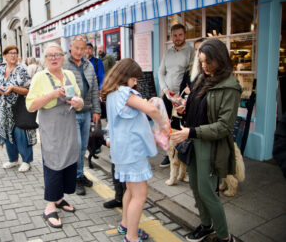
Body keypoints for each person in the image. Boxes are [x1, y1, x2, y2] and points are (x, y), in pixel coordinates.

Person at [171, 39, 241, 242]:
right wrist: (186, 108)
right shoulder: (203, 78)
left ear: (219, 60)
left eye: (207, 62)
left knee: (207, 191)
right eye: (201, 62)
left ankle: (224, 236)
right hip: (194, 139)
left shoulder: (230, 86)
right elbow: (199, 105)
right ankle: (206, 225)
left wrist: (191, 132)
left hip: (210, 144)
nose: (203, 66)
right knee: (194, 185)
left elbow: (224, 126)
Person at [101, 58, 168, 242]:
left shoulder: (113, 93)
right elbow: (152, 112)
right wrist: (165, 125)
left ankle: (125, 226)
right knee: (140, 195)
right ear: (126, 76)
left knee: (130, 191)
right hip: (132, 151)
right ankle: (131, 236)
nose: (136, 82)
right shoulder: (125, 92)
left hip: (122, 151)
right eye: (134, 78)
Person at [26, 42, 84, 228]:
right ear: (44, 59)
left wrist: (78, 103)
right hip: (51, 127)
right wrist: (51, 94)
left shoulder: (69, 74)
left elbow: (79, 98)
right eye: (49, 55)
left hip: (68, 125)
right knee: (53, 163)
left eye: (57, 54)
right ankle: (49, 206)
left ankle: (59, 198)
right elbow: (30, 105)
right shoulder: (39, 77)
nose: (53, 58)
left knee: (68, 159)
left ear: (63, 57)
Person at [63, 35, 101, 196]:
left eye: (82, 48)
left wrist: (97, 111)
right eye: (76, 48)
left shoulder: (88, 65)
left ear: (86, 48)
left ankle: (79, 174)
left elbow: (93, 90)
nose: (79, 52)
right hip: (71, 113)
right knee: (77, 146)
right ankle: (76, 177)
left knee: (83, 146)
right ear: (71, 47)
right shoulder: (64, 64)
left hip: (86, 112)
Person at [0, 45, 35, 173]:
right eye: (10, 53)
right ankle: (13, 160)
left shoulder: (22, 70)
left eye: (15, 53)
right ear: (5, 56)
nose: (13, 55)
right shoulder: (1, 69)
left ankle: (26, 161)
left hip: (19, 108)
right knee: (7, 134)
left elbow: (29, 90)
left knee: (21, 134)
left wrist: (13, 88)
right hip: (4, 109)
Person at [158, 24, 195, 168]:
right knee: (166, 126)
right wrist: (166, 90)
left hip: (182, 98)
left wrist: (182, 94)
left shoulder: (190, 51)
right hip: (167, 96)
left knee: (179, 127)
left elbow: (191, 74)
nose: (177, 38)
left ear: (184, 35)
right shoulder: (168, 52)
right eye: (174, 35)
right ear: (171, 36)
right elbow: (161, 72)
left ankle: (182, 156)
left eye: (180, 35)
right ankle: (169, 154)